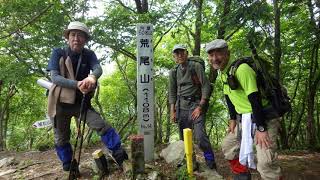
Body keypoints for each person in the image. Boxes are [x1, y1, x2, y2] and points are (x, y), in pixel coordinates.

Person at [47, 21, 128, 172]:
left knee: (101, 125)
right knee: (61, 137)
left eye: (80, 36)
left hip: (81, 102)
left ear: (85, 39)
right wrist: (78, 84)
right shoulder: (58, 53)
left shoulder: (89, 54)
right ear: (68, 37)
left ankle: (119, 154)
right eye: (73, 35)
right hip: (59, 103)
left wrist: (92, 77)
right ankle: (69, 165)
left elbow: (98, 68)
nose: (76, 38)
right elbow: (55, 78)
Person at [206, 39, 282, 180]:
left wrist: (261, 128)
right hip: (243, 119)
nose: (214, 58)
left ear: (227, 54)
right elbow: (228, 95)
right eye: (211, 55)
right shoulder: (222, 72)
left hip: (264, 117)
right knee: (228, 146)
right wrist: (232, 118)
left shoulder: (242, 70)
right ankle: (241, 174)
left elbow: (255, 99)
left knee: (265, 162)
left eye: (219, 54)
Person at [168, 44, 216, 170]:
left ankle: (210, 160)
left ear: (187, 53)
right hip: (181, 107)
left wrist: (200, 107)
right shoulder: (173, 72)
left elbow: (206, 86)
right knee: (184, 138)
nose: (180, 55)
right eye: (177, 53)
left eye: (182, 52)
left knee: (200, 136)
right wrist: (172, 111)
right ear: (174, 57)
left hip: (196, 105)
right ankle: (189, 162)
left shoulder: (196, 66)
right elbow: (172, 92)